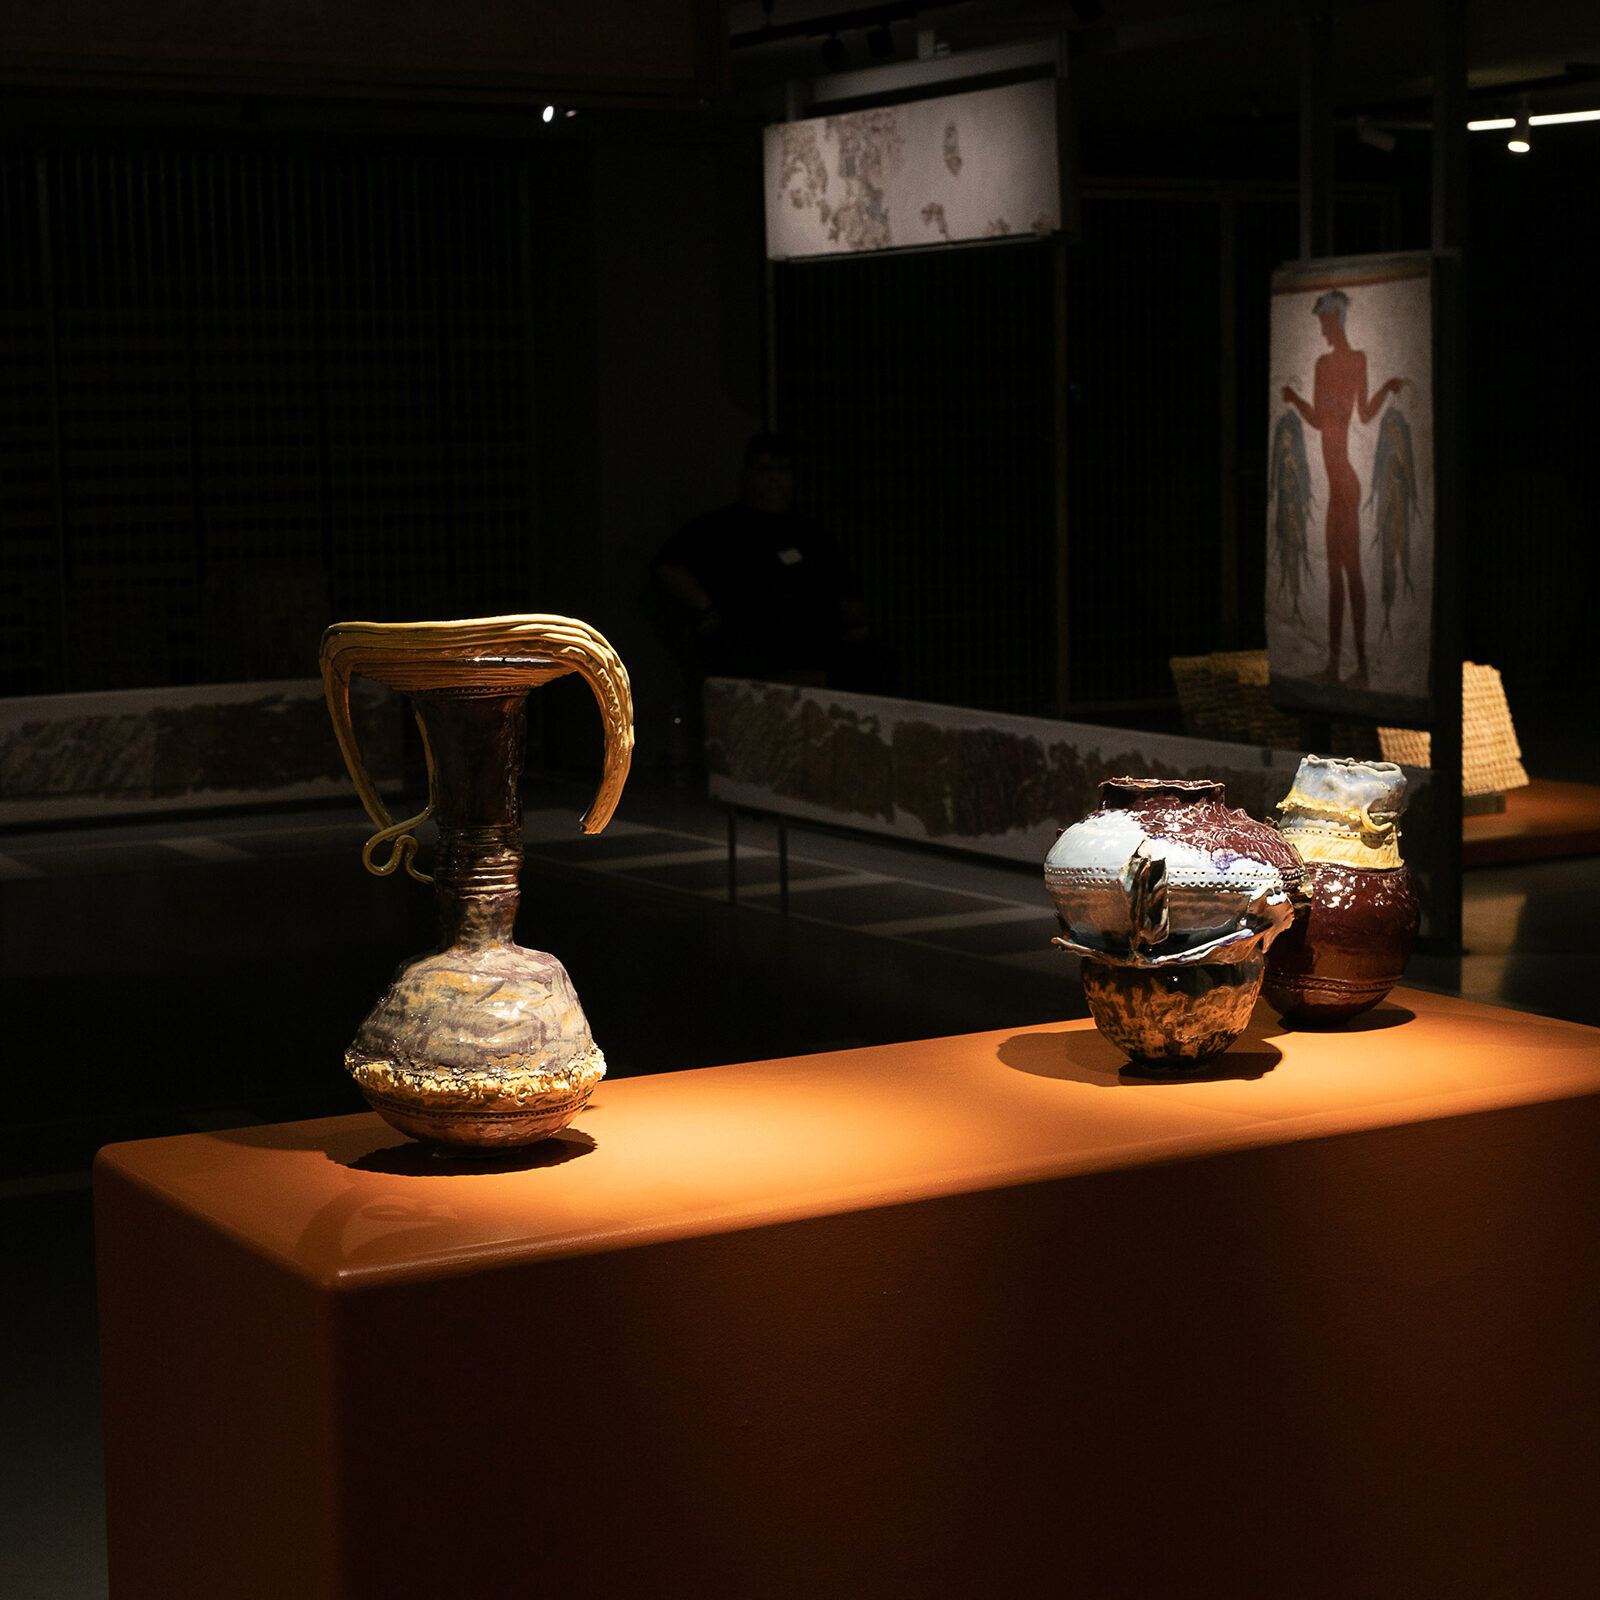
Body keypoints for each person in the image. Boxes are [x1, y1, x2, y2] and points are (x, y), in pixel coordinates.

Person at [651, 432, 876, 689]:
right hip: (750, 661)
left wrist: (851, 626)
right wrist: (707, 609)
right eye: (765, 470)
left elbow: (845, 589)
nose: (774, 479)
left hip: (813, 659)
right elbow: (668, 566)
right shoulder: (721, 527)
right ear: (748, 475)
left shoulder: (811, 533)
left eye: (782, 470)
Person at [1280, 289, 1409, 689]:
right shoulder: (1327, 363)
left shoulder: (1352, 361)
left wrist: (1384, 387)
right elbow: (1334, 419)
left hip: (1345, 485)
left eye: (1324, 322)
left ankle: (1362, 668)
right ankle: (1336, 668)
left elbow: (1354, 415)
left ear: (1336, 319)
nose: (1322, 331)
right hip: (1340, 487)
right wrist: (1298, 400)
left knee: (1350, 574)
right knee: (1336, 577)